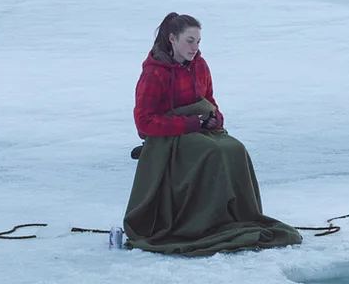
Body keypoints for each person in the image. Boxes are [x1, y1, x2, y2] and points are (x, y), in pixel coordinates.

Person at [120, 13, 304, 255]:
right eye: (189, 40)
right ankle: (201, 221)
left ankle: (234, 217)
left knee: (235, 148)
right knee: (213, 151)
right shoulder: (154, 74)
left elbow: (210, 101)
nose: (195, 47)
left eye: (198, 41)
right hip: (166, 140)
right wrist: (189, 124)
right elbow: (144, 123)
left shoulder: (200, 66)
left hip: (198, 129)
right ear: (172, 39)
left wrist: (215, 119)